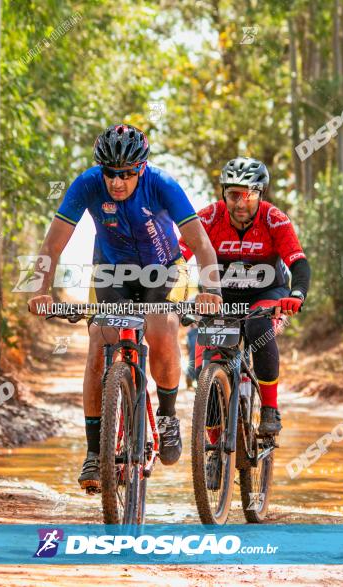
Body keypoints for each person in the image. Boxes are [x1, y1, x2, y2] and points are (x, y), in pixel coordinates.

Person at [27, 124, 222, 492]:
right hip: (111, 270)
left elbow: (202, 243)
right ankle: (94, 452)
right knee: (100, 343)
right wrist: (40, 289)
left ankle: (166, 417)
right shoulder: (86, 184)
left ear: (142, 169)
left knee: (162, 328)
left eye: (126, 174)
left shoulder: (163, 185)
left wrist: (211, 289)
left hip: (164, 269)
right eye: (110, 173)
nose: (117, 182)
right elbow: (52, 245)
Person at [180, 156, 311, 437]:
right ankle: (213, 447)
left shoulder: (274, 219)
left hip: (266, 294)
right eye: (234, 195)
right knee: (206, 366)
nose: (241, 203)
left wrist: (297, 294)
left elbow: (298, 262)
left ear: (260, 194)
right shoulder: (208, 218)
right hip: (219, 297)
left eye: (249, 195)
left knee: (258, 327)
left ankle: (269, 409)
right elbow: (177, 256)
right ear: (223, 194)